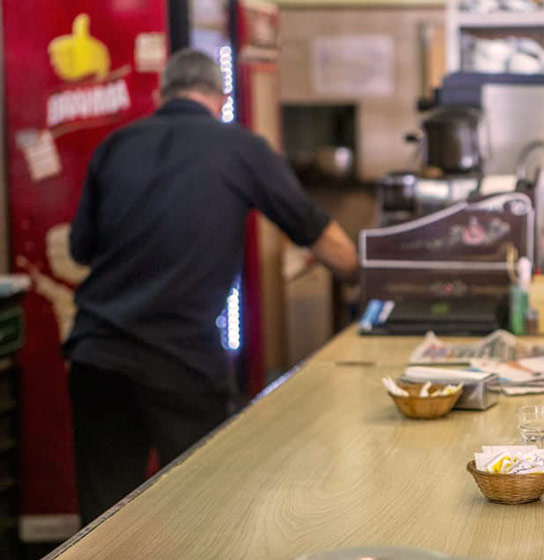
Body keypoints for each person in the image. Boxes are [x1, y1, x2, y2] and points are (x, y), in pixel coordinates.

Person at [65, 49, 358, 525]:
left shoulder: (115, 145)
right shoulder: (241, 148)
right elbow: (315, 231)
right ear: (221, 99)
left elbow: (81, 248)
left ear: (162, 94)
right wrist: (366, 277)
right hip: (180, 361)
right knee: (206, 510)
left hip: (97, 354)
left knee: (104, 520)